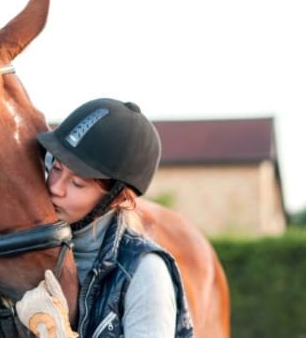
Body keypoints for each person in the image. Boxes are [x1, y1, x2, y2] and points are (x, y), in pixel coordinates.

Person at [15, 98, 194, 338]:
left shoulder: (146, 273)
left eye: (77, 183)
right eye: (56, 168)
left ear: (118, 199)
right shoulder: (23, 250)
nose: (56, 187)